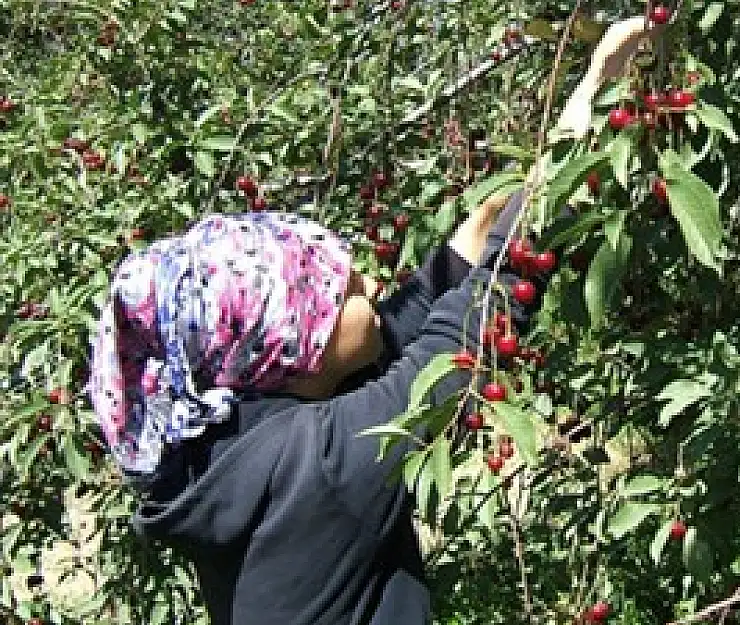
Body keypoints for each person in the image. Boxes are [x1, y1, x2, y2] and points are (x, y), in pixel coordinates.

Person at [85, 16, 660, 625]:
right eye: (340, 289)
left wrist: (483, 226)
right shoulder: (320, 467)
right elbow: (474, 325)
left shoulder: (232, 451)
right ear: (291, 347)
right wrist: (601, 83)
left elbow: (419, 310)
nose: (366, 279)